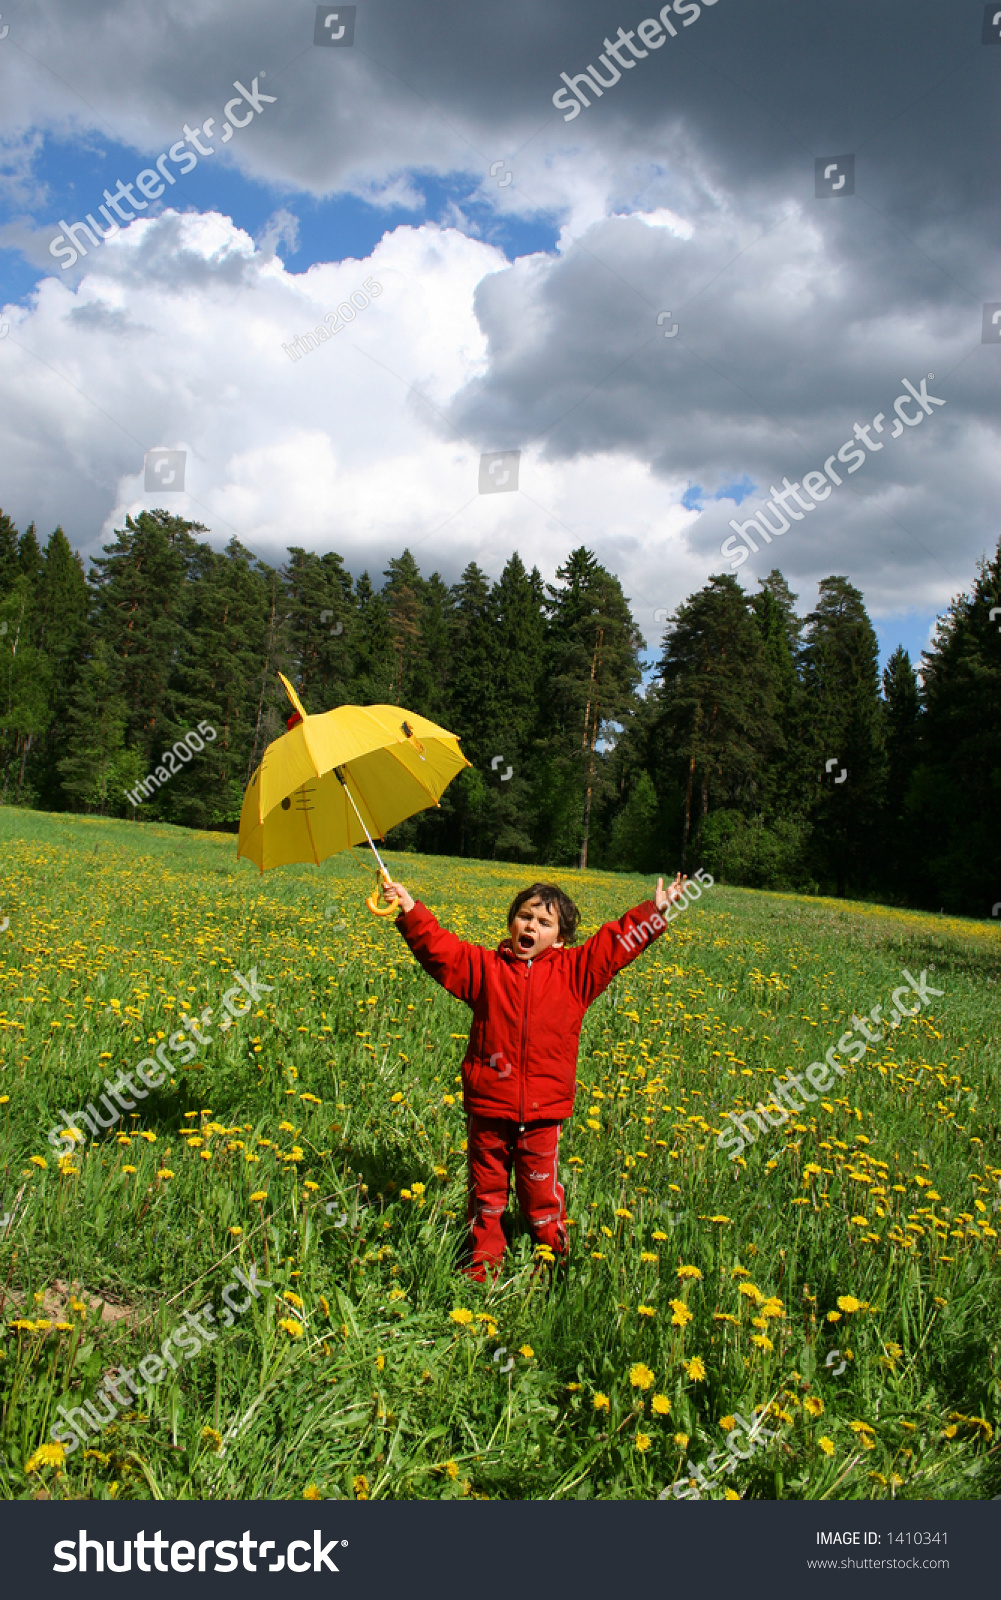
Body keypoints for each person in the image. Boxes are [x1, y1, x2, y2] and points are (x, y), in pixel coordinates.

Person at [379, 872, 689, 1282]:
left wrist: (656, 912)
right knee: (485, 1195)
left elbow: (615, 945)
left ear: (561, 939)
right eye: (525, 917)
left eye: (544, 923)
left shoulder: (576, 974)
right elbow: (441, 952)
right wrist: (409, 908)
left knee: (541, 1195)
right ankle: (482, 1264)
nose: (531, 926)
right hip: (489, 1107)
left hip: (543, 1114)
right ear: (511, 924)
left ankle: (552, 1261)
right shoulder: (484, 969)